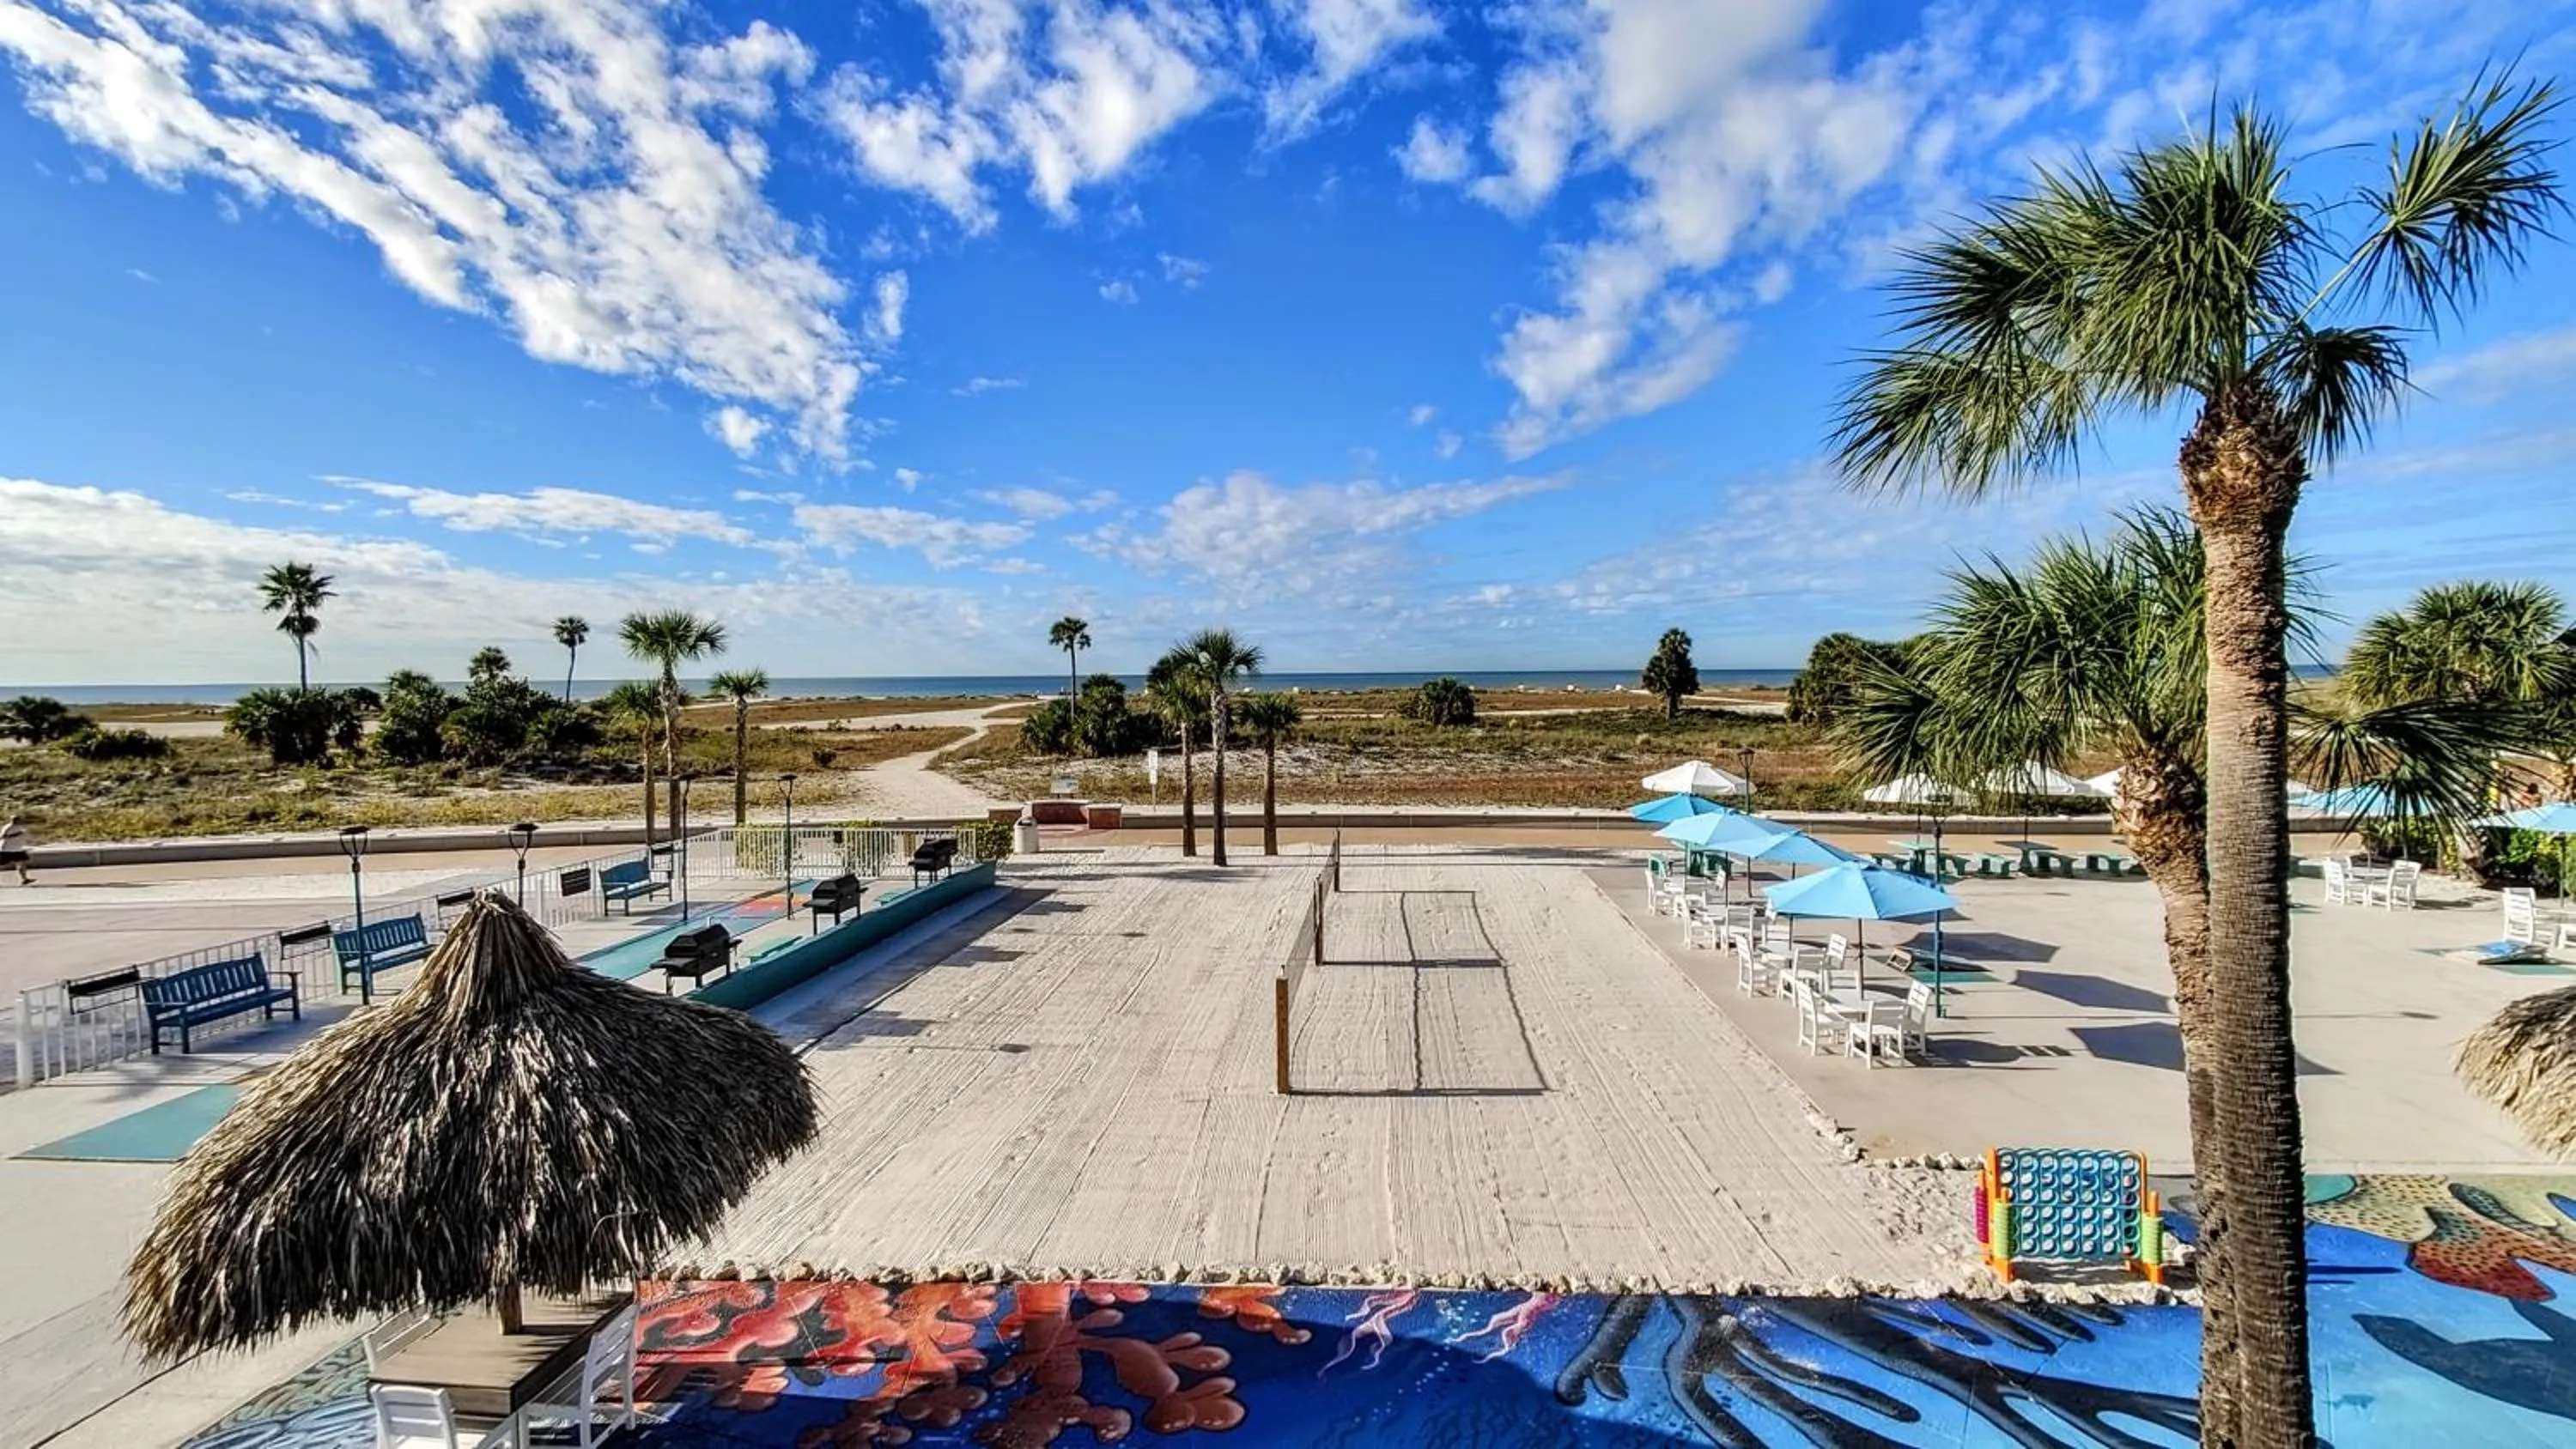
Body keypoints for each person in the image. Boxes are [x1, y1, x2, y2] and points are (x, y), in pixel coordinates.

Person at [0, 816, 28, 886]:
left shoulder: (20, 827)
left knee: (22, 863)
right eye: (19, 820)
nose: (21, 821)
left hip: (18, 849)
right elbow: (3, 836)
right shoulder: (8, 827)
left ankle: (24, 879)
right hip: (7, 849)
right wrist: (17, 834)